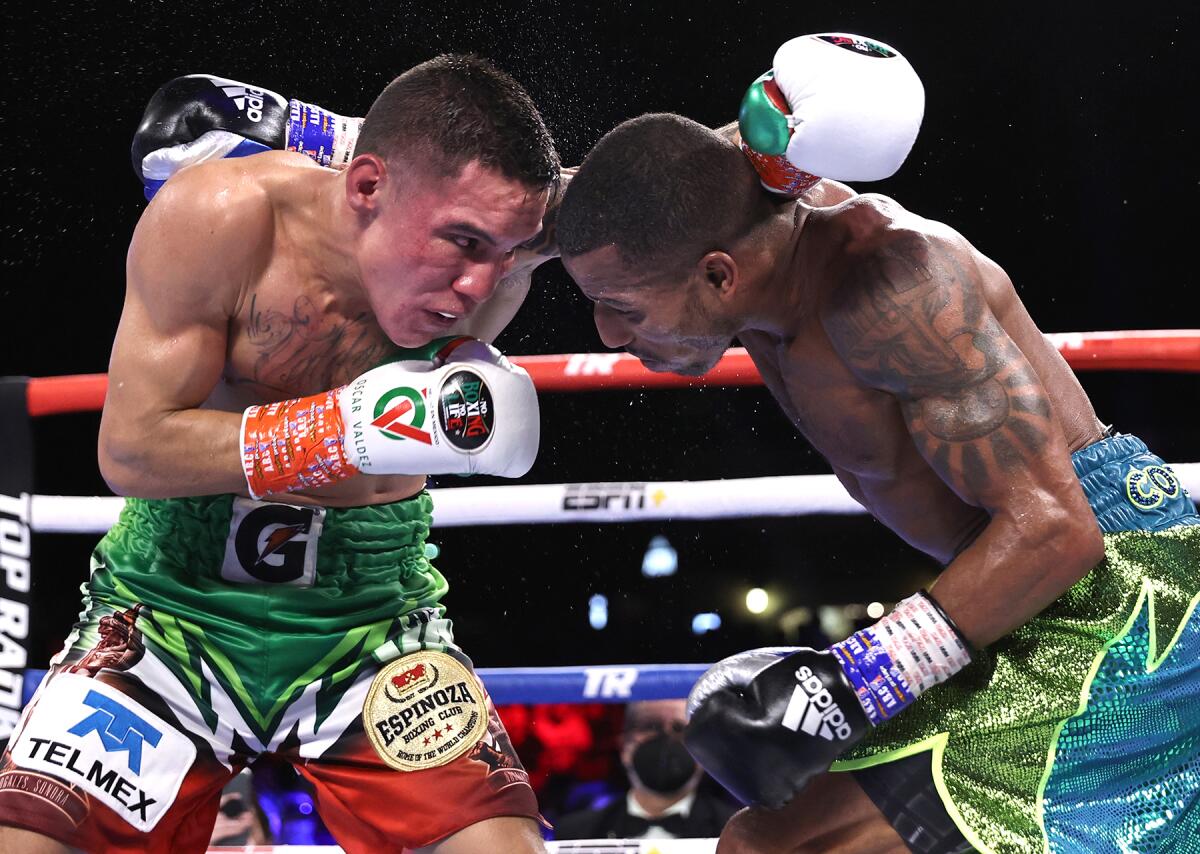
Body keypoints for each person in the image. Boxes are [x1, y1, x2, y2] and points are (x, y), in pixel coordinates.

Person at [555, 34, 1200, 854]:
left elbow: (1054, 528)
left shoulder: (893, 291)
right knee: (762, 843)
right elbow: (582, 206)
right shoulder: (714, 204)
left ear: (720, 276)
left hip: (1120, 595)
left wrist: (853, 679)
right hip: (1015, 594)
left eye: (622, 307)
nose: (606, 333)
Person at [0, 54, 559, 853]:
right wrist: (346, 429)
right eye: (462, 242)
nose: (480, 284)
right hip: (170, 609)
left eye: (508, 253)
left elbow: (668, 194)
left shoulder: (509, 222)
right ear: (366, 186)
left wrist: (780, 159)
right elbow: (132, 447)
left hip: (371, 620)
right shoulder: (223, 217)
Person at [555, 699, 737, 841]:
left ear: (702, 749)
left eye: (679, 728)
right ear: (625, 746)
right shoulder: (576, 832)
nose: (666, 738)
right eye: (652, 726)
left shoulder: (736, 831)